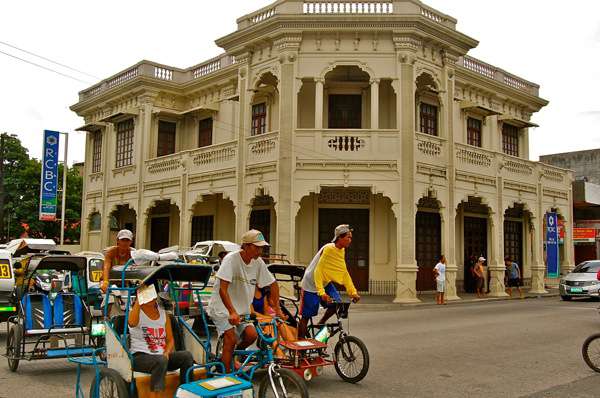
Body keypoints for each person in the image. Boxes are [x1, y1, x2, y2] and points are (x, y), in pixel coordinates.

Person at [207, 229, 285, 372]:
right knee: (230, 339)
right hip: (222, 308)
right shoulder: (231, 259)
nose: (260, 251)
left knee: (252, 335)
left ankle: (231, 357)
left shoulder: (258, 263)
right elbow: (222, 288)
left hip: (241, 310)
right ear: (247, 246)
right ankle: (225, 374)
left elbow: (272, 284)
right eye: (257, 247)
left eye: (262, 247)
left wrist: (278, 310)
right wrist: (231, 312)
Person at [129, 284, 194, 395]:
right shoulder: (136, 312)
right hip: (140, 357)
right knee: (161, 360)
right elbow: (131, 322)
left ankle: (186, 392)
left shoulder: (163, 314)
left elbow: (170, 340)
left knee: (186, 356)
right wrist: (139, 300)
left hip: (161, 357)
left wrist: (167, 352)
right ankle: (156, 394)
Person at [297, 224, 360, 339]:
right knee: (306, 316)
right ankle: (300, 344)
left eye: (351, 237)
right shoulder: (328, 249)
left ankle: (321, 323)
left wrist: (353, 292)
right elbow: (318, 271)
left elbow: (344, 272)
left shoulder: (341, 250)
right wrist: (322, 293)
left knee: (337, 304)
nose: (350, 240)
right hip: (311, 284)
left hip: (324, 281)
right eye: (348, 237)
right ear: (340, 237)